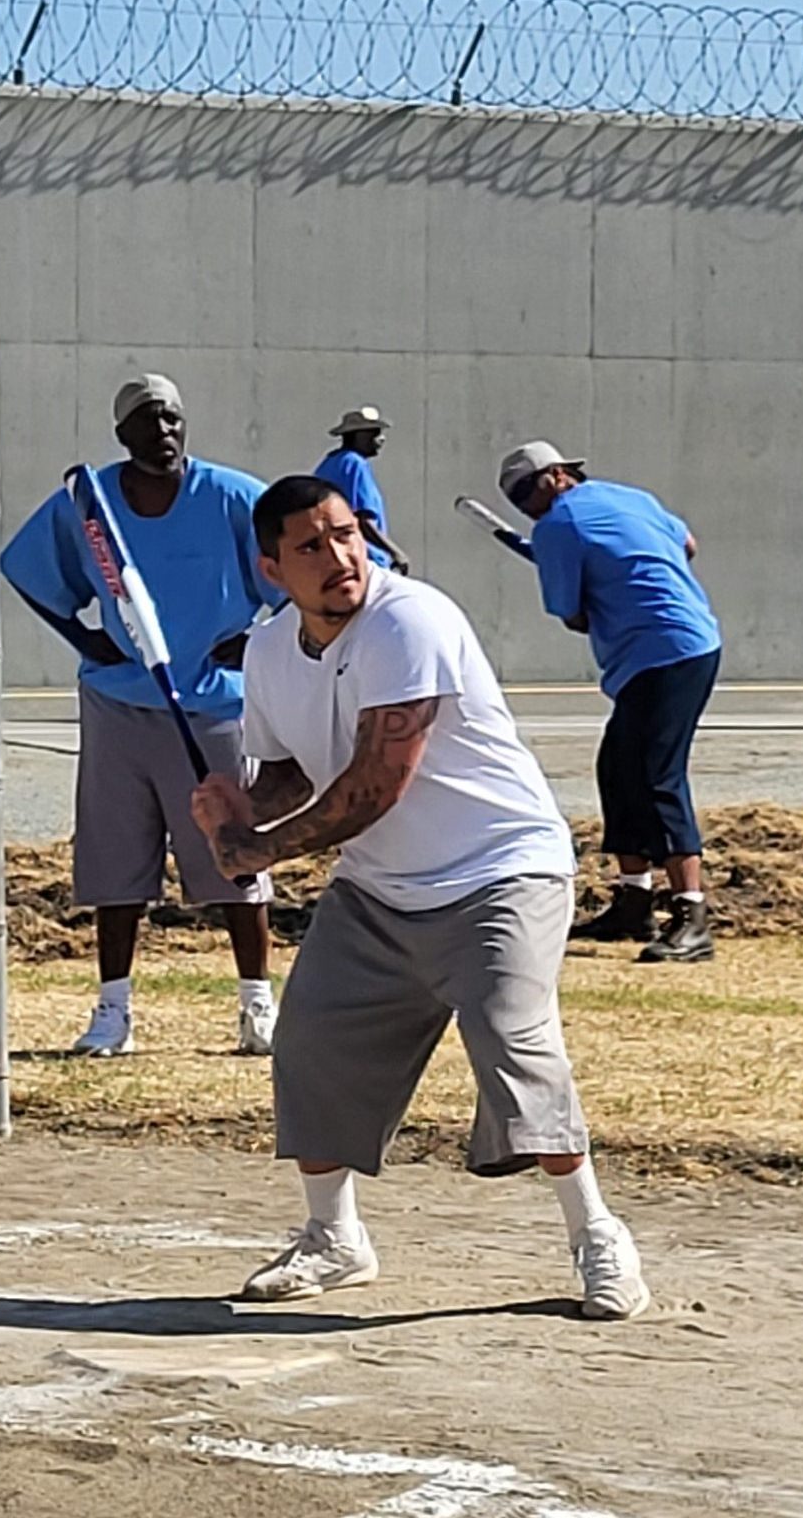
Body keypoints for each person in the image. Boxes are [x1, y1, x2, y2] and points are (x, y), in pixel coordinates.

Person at [189, 475, 651, 1320]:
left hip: (499, 869)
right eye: (310, 547)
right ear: (272, 571)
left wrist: (258, 847)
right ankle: (335, 1239)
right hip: (378, 886)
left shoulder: (411, 619)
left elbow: (374, 783)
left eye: (345, 534)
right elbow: (296, 768)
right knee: (312, 1045)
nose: (338, 557)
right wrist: (238, 809)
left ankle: (598, 1238)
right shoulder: (265, 653)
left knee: (514, 1038)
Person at [2, 373, 283, 1057]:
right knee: (116, 862)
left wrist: (261, 641)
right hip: (119, 704)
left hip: (213, 706)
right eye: (148, 422)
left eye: (173, 419)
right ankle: (113, 1012)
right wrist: (86, 639)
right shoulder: (89, 503)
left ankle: (257, 1007)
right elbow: (28, 568)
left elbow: (292, 573)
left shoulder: (233, 497)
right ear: (122, 434)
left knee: (236, 860)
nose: (163, 433)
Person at [504, 440, 723, 964]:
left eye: (525, 491)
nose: (524, 506)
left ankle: (692, 914)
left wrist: (575, 568)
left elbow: (573, 615)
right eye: (515, 500)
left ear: (556, 476)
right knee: (619, 767)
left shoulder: (557, 527)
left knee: (656, 775)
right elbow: (687, 544)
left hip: (662, 651)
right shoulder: (631, 497)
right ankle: (634, 900)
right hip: (688, 643)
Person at [314, 405, 409, 574]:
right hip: (365, 562)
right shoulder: (356, 465)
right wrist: (394, 552)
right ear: (358, 436)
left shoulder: (329, 464)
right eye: (374, 433)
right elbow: (363, 520)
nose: (381, 439)